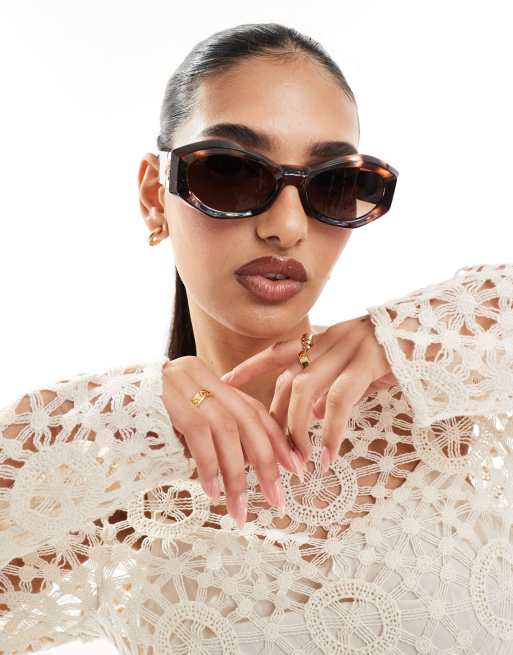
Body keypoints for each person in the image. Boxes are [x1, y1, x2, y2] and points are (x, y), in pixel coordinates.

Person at [1, 21, 513, 655]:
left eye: (333, 184)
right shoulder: (110, 480)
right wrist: (135, 402)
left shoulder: (454, 403)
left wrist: (411, 333)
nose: (287, 227)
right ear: (155, 197)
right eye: (230, 172)